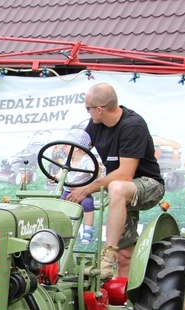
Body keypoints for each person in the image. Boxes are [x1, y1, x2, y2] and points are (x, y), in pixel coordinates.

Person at [66, 83, 165, 279]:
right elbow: (79, 148)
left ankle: (106, 258)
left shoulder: (132, 126)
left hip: (148, 184)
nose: (88, 113)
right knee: (126, 255)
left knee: (117, 187)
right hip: (119, 190)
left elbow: (125, 174)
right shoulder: (95, 124)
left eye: (88, 108)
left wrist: (87, 189)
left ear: (100, 109)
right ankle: (126, 301)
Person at [54, 129, 98, 244]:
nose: (63, 147)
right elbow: (60, 174)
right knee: (60, 208)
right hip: (67, 191)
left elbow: (96, 173)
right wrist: (54, 177)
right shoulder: (66, 161)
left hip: (83, 192)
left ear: (77, 147)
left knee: (88, 204)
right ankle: (61, 231)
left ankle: (88, 230)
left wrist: (97, 169)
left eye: (66, 145)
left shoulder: (87, 161)